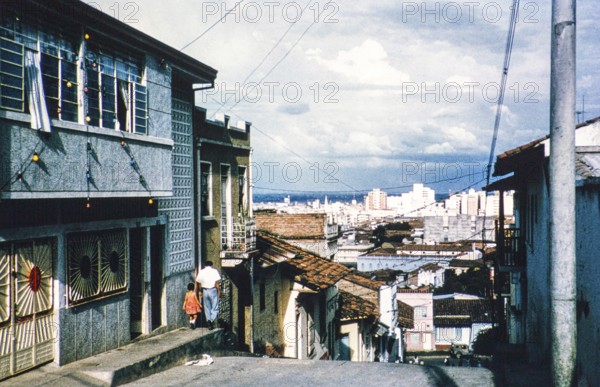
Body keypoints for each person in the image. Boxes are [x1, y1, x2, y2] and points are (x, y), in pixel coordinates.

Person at [196, 261, 221, 330]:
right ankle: (211, 320)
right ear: (211, 265)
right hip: (213, 290)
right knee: (215, 307)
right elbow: (217, 284)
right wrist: (219, 292)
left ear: (205, 265)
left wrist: (200, 291)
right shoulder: (214, 271)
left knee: (207, 307)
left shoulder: (201, 271)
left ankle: (208, 320)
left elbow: (199, 283)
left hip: (205, 290)